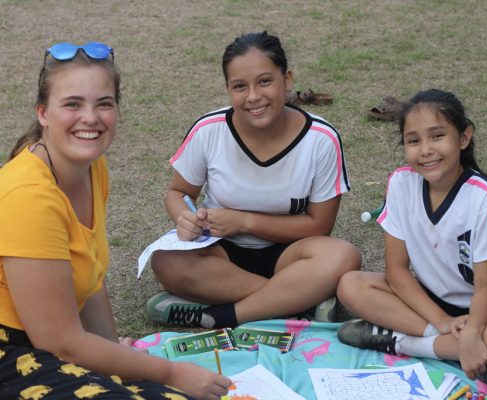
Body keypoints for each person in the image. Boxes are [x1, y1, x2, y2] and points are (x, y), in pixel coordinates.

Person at [0, 42, 230, 400]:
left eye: (103, 103)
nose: (90, 118)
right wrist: (171, 372)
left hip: (50, 348)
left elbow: (90, 279)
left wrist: (113, 352)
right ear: (43, 113)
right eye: (72, 104)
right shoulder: (28, 195)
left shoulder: (91, 168)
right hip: (15, 357)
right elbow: (61, 342)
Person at [147, 31, 361, 329]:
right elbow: (178, 192)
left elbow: (319, 226)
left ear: (287, 79)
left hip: (290, 253)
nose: (253, 97)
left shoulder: (320, 139)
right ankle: (299, 303)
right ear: (228, 90)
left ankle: (225, 315)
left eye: (264, 81)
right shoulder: (209, 130)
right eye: (239, 86)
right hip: (220, 250)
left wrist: (244, 222)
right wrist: (185, 217)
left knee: (342, 256)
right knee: (166, 260)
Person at [337, 89, 487, 385]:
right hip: (430, 306)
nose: (425, 150)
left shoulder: (484, 198)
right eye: (413, 141)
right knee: (351, 285)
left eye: (437, 136)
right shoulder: (401, 183)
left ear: (464, 138)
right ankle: (462, 351)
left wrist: (474, 331)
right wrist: (443, 323)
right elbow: (396, 271)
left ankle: (400, 343)